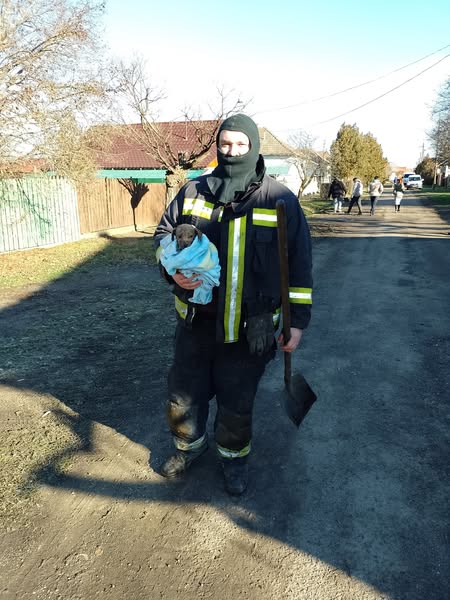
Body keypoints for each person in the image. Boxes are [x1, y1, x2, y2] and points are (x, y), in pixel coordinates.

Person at [153, 114, 313, 496]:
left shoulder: (280, 200)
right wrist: (172, 271)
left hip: (249, 330)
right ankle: (189, 448)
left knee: (236, 402)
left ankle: (233, 460)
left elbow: (299, 264)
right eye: (226, 143)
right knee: (183, 395)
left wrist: (296, 322)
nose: (232, 151)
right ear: (217, 146)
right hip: (195, 324)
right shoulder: (192, 192)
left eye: (241, 144)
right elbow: (163, 235)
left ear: (254, 147)